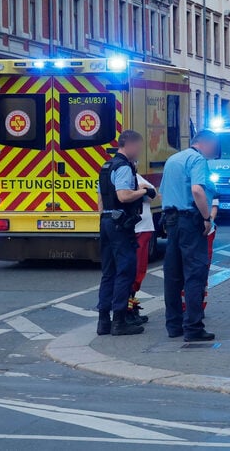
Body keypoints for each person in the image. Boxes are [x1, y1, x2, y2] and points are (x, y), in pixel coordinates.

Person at [161, 129, 219, 342]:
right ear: (206, 143)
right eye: (214, 146)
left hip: (171, 220)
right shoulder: (197, 160)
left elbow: (163, 191)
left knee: (173, 275)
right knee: (194, 274)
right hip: (190, 221)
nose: (214, 150)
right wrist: (206, 218)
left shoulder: (173, 159)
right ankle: (193, 327)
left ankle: (174, 325)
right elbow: (197, 190)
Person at [96, 130, 152, 337]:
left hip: (107, 221)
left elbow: (100, 200)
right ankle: (119, 321)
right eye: (138, 147)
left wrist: (107, 219)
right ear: (129, 144)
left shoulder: (106, 166)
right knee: (125, 271)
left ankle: (103, 322)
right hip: (120, 225)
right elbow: (124, 195)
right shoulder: (123, 167)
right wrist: (144, 191)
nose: (139, 151)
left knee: (108, 272)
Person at [127, 173, 157, 325]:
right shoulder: (125, 174)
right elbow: (126, 195)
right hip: (137, 230)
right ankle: (128, 310)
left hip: (141, 230)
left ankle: (131, 307)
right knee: (135, 271)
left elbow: (153, 194)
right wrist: (143, 190)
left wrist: (144, 190)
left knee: (139, 271)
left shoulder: (134, 175)